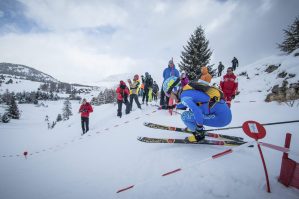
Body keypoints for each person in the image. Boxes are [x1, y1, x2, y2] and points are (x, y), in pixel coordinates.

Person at [163, 76, 232, 142]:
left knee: (184, 116)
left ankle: (198, 135)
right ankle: (194, 126)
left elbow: (197, 111)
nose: (170, 97)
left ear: (174, 90)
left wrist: (199, 129)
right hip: (226, 114)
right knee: (192, 110)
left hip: (221, 119)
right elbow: (191, 101)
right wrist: (173, 106)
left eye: (169, 94)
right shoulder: (189, 87)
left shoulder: (184, 96)